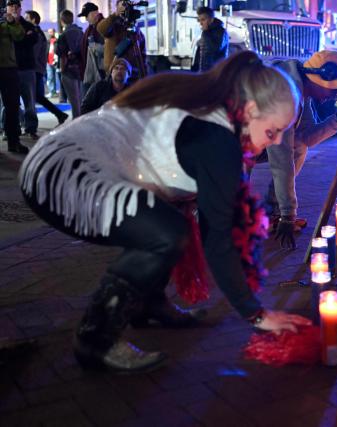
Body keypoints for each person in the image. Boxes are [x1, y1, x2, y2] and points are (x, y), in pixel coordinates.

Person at [19, 51, 310, 374]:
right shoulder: (217, 139)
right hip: (61, 173)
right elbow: (219, 238)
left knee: (170, 218)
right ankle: (95, 339)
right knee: (167, 233)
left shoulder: (212, 108)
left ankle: (148, 304)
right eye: (273, 132)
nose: (278, 142)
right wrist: (256, 314)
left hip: (55, 159)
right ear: (251, 110)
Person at [263, 50, 337, 248]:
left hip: (254, 137)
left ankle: (272, 214)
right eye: (331, 92)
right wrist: (288, 214)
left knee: (298, 147)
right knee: (227, 216)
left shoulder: (303, 88)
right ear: (319, 80)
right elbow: (281, 158)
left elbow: (305, 138)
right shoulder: (284, 95)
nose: (331, 98)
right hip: (230, 137)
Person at [25, 10, 69, 126]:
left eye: (27, 18)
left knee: (33, 97)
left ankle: (30, 124)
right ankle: (59, 114)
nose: (25, 20)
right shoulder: (38, 33)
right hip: (37, 69)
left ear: (34, 20)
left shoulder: (36, 34)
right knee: (37, 97)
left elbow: (34, 53)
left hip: (35, 69)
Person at [7, 0, 39, 139]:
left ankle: (31, 128)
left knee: (29, 102)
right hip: (8, 68)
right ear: (6, 8)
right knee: (6, 102)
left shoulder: (28, 25)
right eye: (11, 5)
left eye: (17, 6)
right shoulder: (3, 25)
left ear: (20, 9)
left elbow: (31, 41)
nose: (14, 8)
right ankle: (7, 128)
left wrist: (20, 39)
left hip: (26, 68)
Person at [0, 4, 29, 153]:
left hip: (8, 68)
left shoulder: (7, 21)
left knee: (12, 106)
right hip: (7, 68)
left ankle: (14, 141)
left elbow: (19, 35)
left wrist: (11, 22)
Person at [97, 0, 147, 82]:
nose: (126, 10)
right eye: (123, 7)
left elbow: (143, 57)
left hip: (133, 76)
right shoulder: (113, 26)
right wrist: (115, 15)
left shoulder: (137, 32)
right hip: (114, 74)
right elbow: (100, 29)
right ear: (117, 8)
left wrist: (144, 77)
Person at [57, 9, 84, 118]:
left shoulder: (64, 35)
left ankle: (77, 122)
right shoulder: (81, 32)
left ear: (62, 20)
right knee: (81, 98)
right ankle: (82, 120)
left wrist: (62, 69)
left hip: (68, 70)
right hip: (81, 69)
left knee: (74, 101)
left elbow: (61, 54)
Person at [78, 2, 105, 93]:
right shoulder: (91, 28)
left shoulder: (102, 27)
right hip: (91, 71)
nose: (86, 19)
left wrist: (93, 46)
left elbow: (108, 49)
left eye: (86, 16)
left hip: (99, 72)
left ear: (94, 14)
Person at [191, 6, 228, 73]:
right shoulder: (207, 32)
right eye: (199, 20)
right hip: (205, 72)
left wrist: (206, 33)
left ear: (211, 19)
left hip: (215, 73)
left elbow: (216, 48)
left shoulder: (220, 31)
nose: (201, 23)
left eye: (203, 20)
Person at [45, 28, 58, 97]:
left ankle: (57, 92)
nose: (50, 33)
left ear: (54, 32)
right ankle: (52, 91)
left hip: (56, 61)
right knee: (50, 77)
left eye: (51, 32)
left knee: (57, 77)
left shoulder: (57, 41)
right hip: (48, 61)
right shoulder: (47, 41)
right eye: (49, 32)